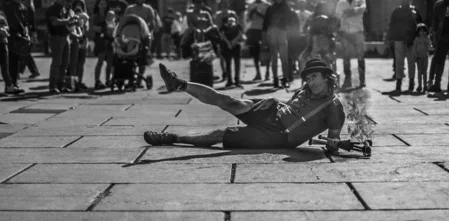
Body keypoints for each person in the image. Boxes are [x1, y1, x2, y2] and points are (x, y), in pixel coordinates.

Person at [143, 60, 345, 152]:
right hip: (273, 112)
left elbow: (332, 144)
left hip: (278, 136)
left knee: (220, 135)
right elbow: (293, 107)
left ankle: (172, 138)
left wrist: (333, 145)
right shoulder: (303, 90)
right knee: (229, 101)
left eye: (314, 77)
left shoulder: (334, 107)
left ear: (327, 77)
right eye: (308, 78)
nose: (310, 82)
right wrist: (275, 101)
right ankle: (179, 83)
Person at [386, 0, 420, 93]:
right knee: (399, 61)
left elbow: (420, 24)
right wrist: (389, 38)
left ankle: (411, 82)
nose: (402, 0)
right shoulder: (396, 11)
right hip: (399, 38)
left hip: (411, 39)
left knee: (411, 62)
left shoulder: (414, 11)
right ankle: (398, 83)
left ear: (408, 0)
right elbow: (391, 25)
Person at [335, 0, 367, 88]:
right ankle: (347, 80)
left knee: (360, 56)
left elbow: (362, 9)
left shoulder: (361, 0)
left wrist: (348, 12)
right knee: (346, 57)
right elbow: (338, 15)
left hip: (358, 32)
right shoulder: (341, 2)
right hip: (345, 33)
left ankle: (362, 80)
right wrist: (353, 12)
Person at [46, 0, 77, 94]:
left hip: (65, 36)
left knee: (65, 63)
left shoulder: (64, 9)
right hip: (56, 37)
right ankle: (53, 85)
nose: (65, 1)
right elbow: (55, 22)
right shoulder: (52, 9)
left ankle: (61, 84)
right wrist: (68, 21)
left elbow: (67, 21)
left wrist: (73, 20)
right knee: (57, 62)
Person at [262, 0, 292, 89]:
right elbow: (265, 25)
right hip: (272, 33)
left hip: (282, 33)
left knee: (284, 58)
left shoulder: (287, 8)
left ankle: (285, 79)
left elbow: (290, 23)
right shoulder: (270, 8)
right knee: (274, 58)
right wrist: (264, 39)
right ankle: (275, 79)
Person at [4, 0, 31, 90]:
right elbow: (10, 22)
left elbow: (26, 22)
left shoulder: (23, 7)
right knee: (12, 62)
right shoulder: (9, 6)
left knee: (19, 61)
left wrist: (27, 32)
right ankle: (10, 85)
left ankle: (15, 83)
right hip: (12, 37)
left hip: (22, 37)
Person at [246, 0, 270, 81]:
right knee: (255, 52)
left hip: (263, 30)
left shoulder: (266, 5)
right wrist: (252, 12)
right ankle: (258, 73)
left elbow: (267, 18)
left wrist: (258, 13)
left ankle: (267, 72)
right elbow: (248, 19)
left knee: (267, 50)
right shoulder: (250, 5)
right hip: (254, 29)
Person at [18, 0, 40, 79]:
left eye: (27, 0)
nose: (25, 2)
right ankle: (34, 71)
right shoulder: (21, 9)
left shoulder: (30, 10)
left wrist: (34, 35)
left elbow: (33, 24)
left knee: (24, 53)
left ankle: (19, 71)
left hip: (28, 34)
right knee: (26, 53)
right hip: (23, 33)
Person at [219, 14, 244, 88]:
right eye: (229, 20)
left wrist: (234, 41)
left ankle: (237, 80)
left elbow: (241, 34)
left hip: (236, 46)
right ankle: (229, 80)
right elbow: (222, 35)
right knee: (228, 64)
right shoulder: (223, 27)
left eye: (232, 20)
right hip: (227, 47)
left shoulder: (238, 26)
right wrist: (228, 43)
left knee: (237, 64)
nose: (231, 22)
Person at [413, 23, 431, 93]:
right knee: (420, 72)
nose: (422, 32)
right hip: (419, 57)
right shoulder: (417, 39)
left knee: (425, 72)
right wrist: (415, 55)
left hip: (425, 56)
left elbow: (429, 46)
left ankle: (425, 86)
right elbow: (414, 48)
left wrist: (427, 43)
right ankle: (420, 85)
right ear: (418, 32)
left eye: (424, 31)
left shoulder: (427, 38)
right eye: (420, 31)